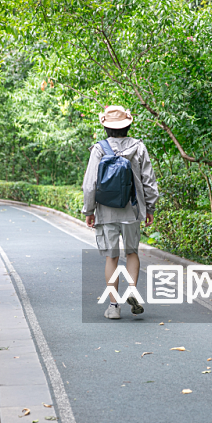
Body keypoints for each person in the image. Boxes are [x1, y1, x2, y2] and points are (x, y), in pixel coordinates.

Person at [82, 104, 159, 320]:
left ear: (106, 127)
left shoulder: (99, 149)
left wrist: (89, 210)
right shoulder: (138, 147)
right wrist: (150, 207)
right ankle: (132, 291)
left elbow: (90, 185)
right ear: (128, 125)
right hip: (132, 210)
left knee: (112, 257)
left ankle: (114, 306)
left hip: (106, 212)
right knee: (132, 252)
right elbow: (149, 181)